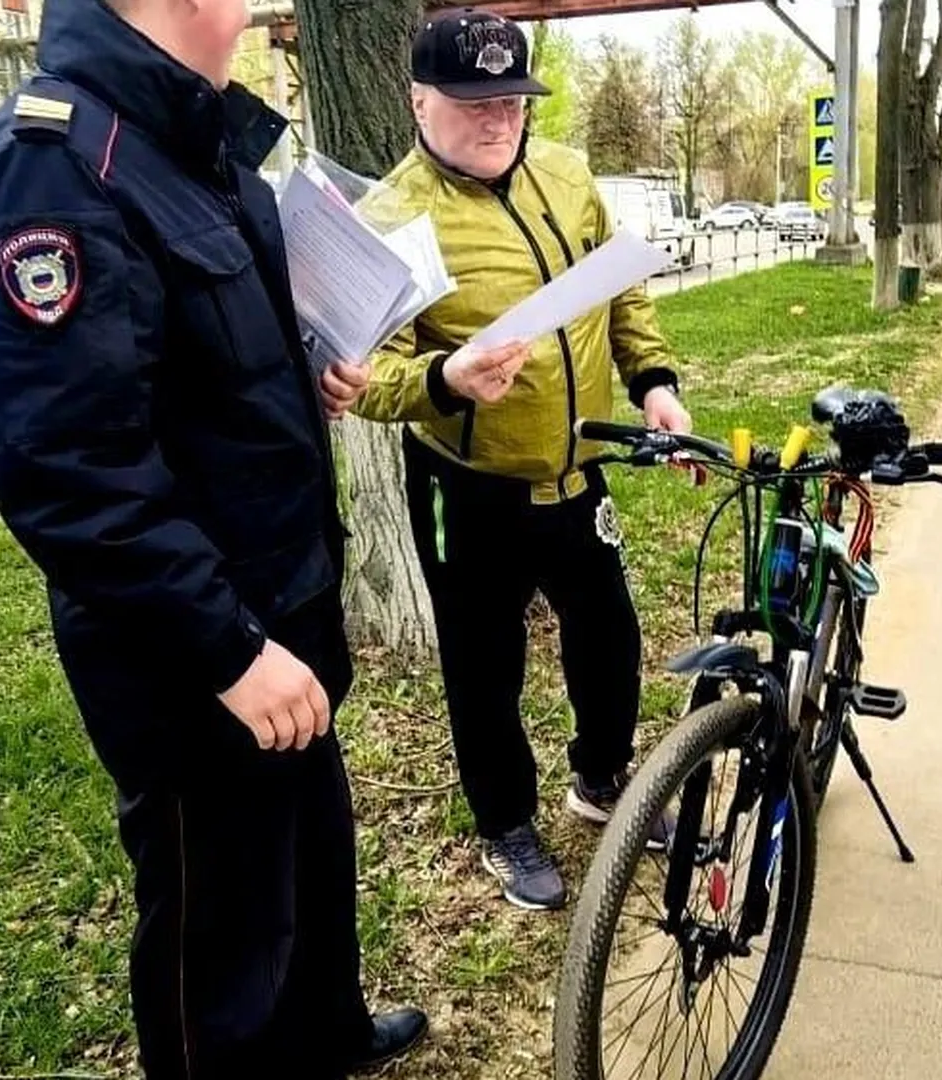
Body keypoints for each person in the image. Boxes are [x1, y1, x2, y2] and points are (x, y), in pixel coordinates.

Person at [0, 0, 426, 1073]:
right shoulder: (53, 170)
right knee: (222, 941)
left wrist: (304, 375)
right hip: (196, 654)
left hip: (282, 604)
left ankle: (326, 1034)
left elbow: (194, 373)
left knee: (307, 864)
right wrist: (228, 651)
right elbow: (67, 472)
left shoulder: (187, 144)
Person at [320, 7, 691, 913]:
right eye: (474, 102)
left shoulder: (567, 176)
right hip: (467, 487)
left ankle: (603, 781)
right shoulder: (393, 218)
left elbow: (622, 291)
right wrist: (446, 377)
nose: (500, 120)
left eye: (514, 101)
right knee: (484, 666)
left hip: (575, 471)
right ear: (418, 101)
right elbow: (360, 379)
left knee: (609, 638)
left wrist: (654, 381)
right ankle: (505, 824)